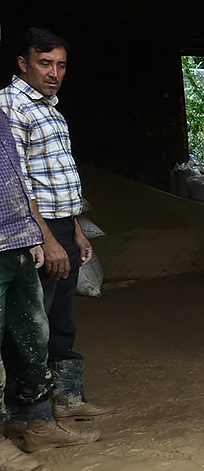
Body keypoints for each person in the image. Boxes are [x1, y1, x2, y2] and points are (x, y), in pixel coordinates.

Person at [0, 28, 112, 421]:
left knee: (61, 318)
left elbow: (61, 178)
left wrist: (76, 230)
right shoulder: (11, 107)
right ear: (22, 63)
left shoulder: (50, 107)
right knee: (33, 324)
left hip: (61, 224)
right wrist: (45, 237)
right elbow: (18, 181)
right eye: (44, 63)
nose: (54, 72)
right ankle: (32, 411)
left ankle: (67, 399)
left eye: (60, 65)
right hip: (33, 230)